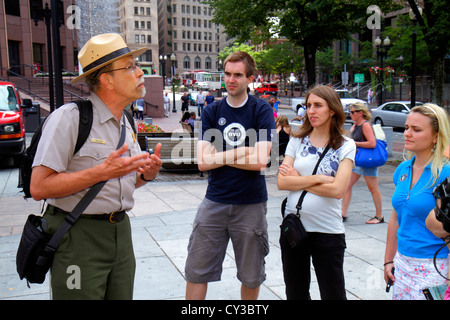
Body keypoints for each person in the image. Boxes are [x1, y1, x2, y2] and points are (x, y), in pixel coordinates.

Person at [29, 33, 163, 300]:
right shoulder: (69, 119)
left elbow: (121, 181)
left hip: (120, 233)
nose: (140, 72)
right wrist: (100, 172)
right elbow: (39, 187)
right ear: (106, 79)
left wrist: (146, 175)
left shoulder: (127, 122)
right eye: (130, 66)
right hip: (79, 236)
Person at [184, 51, 276, 300]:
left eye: (238, 75)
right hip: (215, 200)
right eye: (227, 74)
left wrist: (220, 156)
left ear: (250, 78)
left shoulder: (261, 110)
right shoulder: (212, 111)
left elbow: (260, 161)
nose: (231, 80)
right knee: (196, 270)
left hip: (251, 204)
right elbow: (203, 163)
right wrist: (244, 150)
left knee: (251, 273)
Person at [277, 85, 356, 300]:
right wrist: (318, 179)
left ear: (332, 110)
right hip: (295, 227)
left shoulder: (346, 145)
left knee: (333, 294)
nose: (311, 111)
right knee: (296, 293)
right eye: (308, 105)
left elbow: (338, 189)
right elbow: (282, 182)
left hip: (328, 231)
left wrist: (298, 179)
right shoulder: (296, 139)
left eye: (318, 106)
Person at [384, 103, 450, 300]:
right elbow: (396, 217)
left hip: (434, 266)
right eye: (406, 127)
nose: (407, 133)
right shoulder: (403, 169)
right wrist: (388, 260)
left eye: (416, 129)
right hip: (402, 263)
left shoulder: (445, 173)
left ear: (436, 136)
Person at [341, 102, 383, 224]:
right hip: (359, 161)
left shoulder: (366, 125)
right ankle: (343, 213)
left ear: (360, 113)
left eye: (353, 112)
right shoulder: (356, 125)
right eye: (350, 112)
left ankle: (379, 216)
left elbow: (372, 143)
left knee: (373, 188)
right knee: (347, 185)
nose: (351, 114)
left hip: (367, 161)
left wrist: (355, 143)